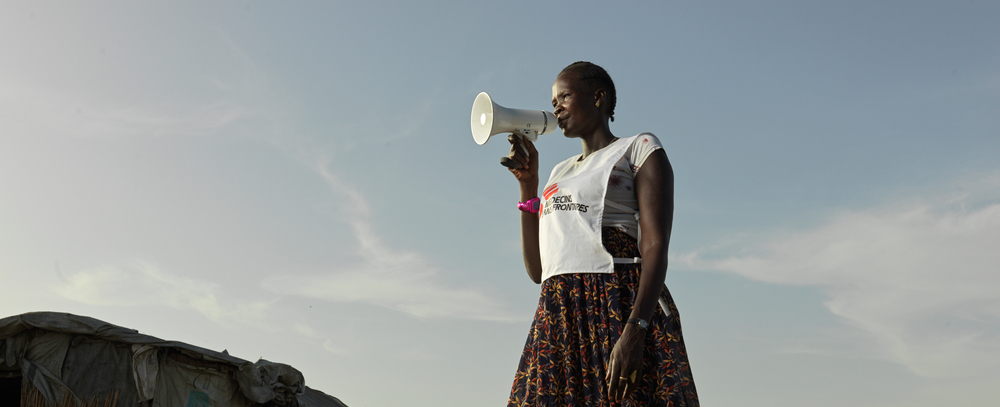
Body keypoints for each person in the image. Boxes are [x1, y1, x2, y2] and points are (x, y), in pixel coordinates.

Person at [504, 61, 699, 407]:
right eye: (553, 102)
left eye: (564, 96)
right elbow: (538, 271)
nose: (556, 107)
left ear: (598, 97)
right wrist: (528, 186)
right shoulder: (557, 172)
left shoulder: (638, 148)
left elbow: (655, 245)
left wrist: (636, 328)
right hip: (560, 315)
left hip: (616, 305)